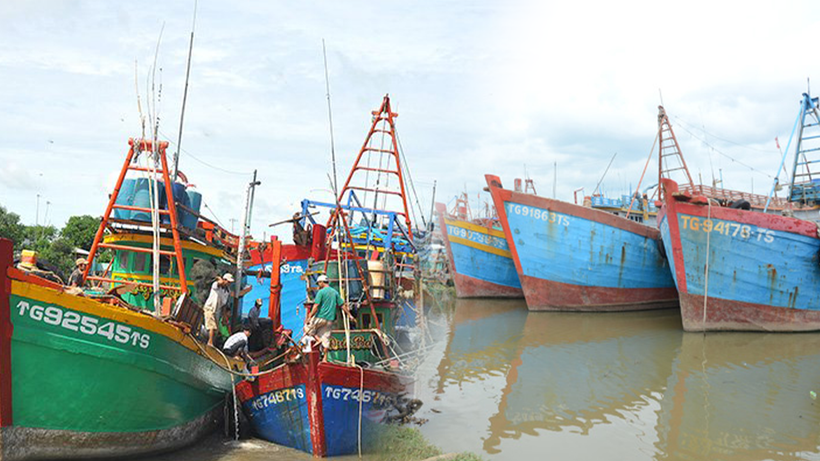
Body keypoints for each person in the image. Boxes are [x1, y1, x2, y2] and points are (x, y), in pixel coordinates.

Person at [304, 274, 356, 354]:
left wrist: (309, 317)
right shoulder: (335, 292)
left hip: (320, 317)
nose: (318, 285)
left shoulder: (321, 292)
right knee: (326, 339)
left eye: (318, 283)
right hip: (330, 320)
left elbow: (316, 306)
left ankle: (318, 339)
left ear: (321, 282)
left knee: (307, 328)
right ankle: (325, 359)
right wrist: (350, 315)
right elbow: (342, 305)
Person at [203, 273, 251, 346]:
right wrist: (219, 279)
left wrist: (224, 316)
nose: (229, 284)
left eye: (230, 283)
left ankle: (212, 342)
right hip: (210, 308)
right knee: (211, 326)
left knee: (216, 330)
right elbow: (219, 283)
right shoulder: (216, 286)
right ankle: (210, 343)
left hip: (216, 311)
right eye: (228, 282)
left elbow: (224, 305)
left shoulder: (227, 291)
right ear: (224, 280)